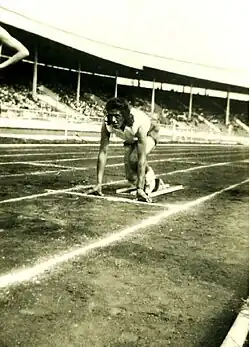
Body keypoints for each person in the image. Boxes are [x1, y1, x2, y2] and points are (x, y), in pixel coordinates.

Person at [91, 97, 164, 202]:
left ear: (125, 115)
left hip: (150, 132)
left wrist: (139, 188)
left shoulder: (138, 125)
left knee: (134, 158)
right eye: (111, 116)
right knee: (130, 176)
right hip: (131, 136)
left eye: (117, 116)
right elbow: (103, 152)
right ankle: (156, 182)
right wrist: (98, 184)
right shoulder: (107, 124)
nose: (114, 120)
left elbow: (141, 158)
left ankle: (149, 180)